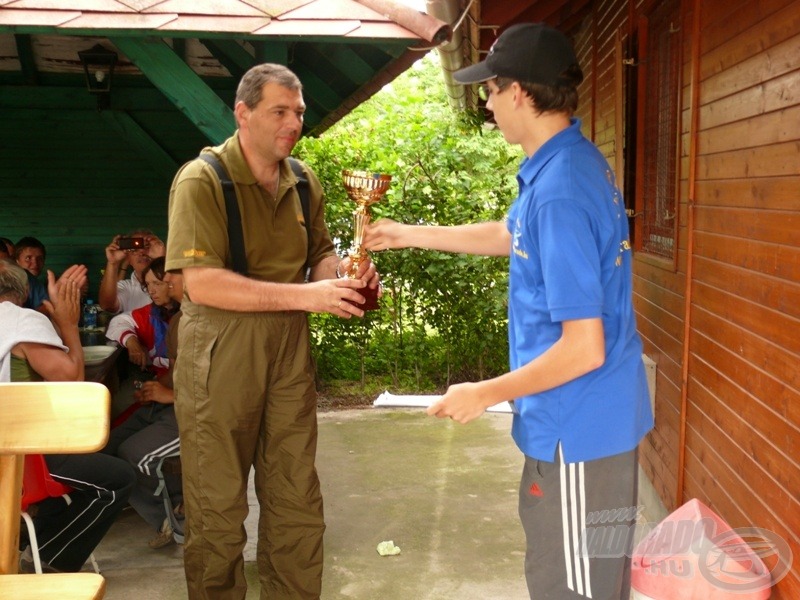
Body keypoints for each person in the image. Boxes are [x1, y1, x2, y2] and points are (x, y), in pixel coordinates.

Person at [364, 23, 654, 600]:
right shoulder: (564, 162)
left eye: (491, 89)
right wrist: (408, 234)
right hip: (584, 427)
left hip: (578, 432)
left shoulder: (561, 191)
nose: (487, 103)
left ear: (520, 91)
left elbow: (583, 346)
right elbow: (510, 234)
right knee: (588, 582)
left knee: (572, 589)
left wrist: (485, 392)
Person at [165, 63, 379, 600]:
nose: (293, 123)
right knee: (217, 506)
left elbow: (319, 256)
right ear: (243, 113)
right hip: (220, 349)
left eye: (299, 112)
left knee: (296, 498)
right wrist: (308, 296)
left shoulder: (303, 180)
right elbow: (202, 283)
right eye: (279, 111)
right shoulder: (203, 178)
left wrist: (344, 277)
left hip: (287, 350)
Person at [0, 258, 136, 573]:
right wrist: (68, 325)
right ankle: (51, 562)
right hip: (19, 453)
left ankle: (32, 548)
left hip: (15, 452)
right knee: (116, 479)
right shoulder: (20, 320)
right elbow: (70, 381)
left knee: (67, 486)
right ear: (23, 293)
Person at [103, 257, 183, 549]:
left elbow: (221, 383)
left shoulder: (200, 320)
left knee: (133, 454)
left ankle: (174, 515)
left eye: (156, 283)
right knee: (108, 444)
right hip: (167, 401)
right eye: (147, 284)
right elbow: (119, 320)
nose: (151, 290)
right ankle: (161, 509)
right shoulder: (159, 316)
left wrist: (170, 394)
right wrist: (133, 343)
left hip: (193, 410)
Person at [98, 230, 165, 314]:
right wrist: (112, 263)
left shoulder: (173, 279)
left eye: (147, 247)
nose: (142, 252)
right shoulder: (126, 287)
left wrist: (162, 259)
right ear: (128, 259)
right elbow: (107, 305)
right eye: (134, 249)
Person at [14, 236, 48, 311]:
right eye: (28, 258)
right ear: (17, 261)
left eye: (39, 259)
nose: (35, 264)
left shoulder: (36, 284)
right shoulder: (29, 280)